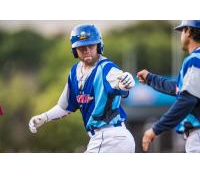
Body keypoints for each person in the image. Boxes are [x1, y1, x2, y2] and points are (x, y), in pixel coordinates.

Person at [29, 24, 136, 153]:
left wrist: (126, 82)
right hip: (107, 139)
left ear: (98, 45)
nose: (86, 50)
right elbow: (65, 106)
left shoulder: (106, 68)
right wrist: (45, 117)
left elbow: (121, 84)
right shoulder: (74, 72)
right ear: (75, 50)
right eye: (81, 47)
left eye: (91, 45)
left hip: (110, 137)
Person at [137, 20, 200, 153]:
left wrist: (156, 129)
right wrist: (150, 78)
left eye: (182, 30)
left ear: (188, 31)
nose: (181, 35)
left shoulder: (195, 59)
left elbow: (187, 99)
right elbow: (179, 88)